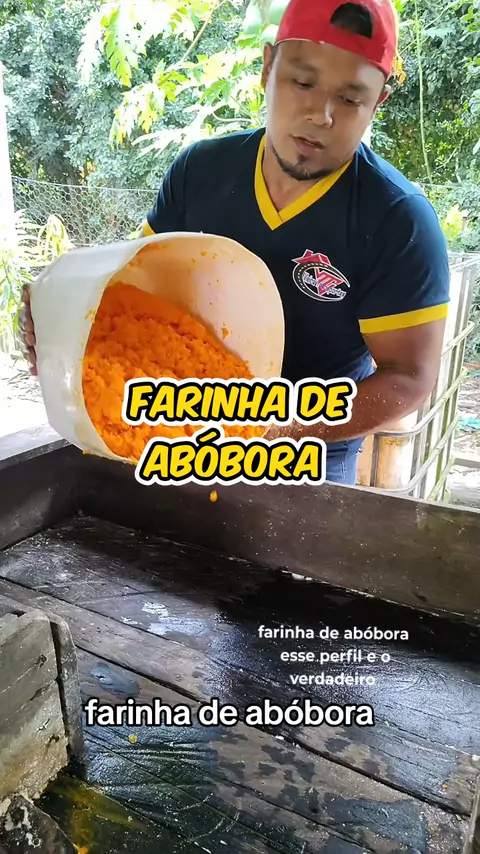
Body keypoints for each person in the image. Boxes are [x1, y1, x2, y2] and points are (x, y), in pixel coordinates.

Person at [19, 0, 450, 486]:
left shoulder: (397, 221)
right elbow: (133, 293)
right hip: (170, 435)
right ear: (268, 68)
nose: (320, 114)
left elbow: (409, 377)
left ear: (377, 103)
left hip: (309, 464)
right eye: (302, 82)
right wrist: (60, 331)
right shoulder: (199, 173)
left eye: (350, 99)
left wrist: (274, 427)